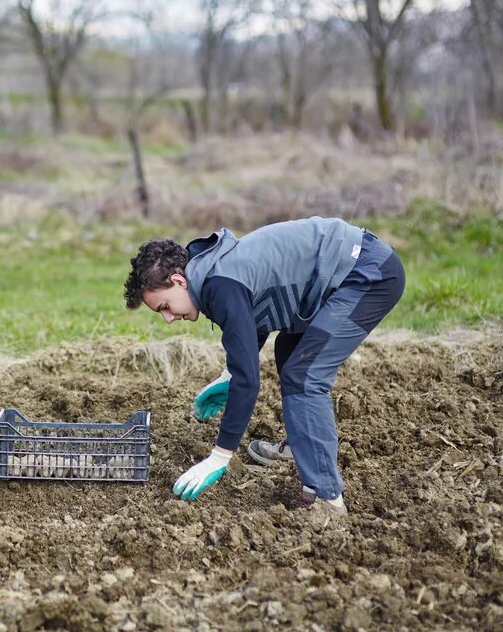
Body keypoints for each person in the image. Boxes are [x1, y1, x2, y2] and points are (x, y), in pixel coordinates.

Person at [122, 217, 406, 514]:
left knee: (304, 376)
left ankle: (325, 498)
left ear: (178, 281)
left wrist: (220, 456)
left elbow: (249, 380)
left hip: (368, 274)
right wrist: (229, 374)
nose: (168, 318)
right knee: (288, 348)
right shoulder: (211, 272)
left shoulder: (220, 285)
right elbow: (252, 323)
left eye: (164, 307)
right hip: (347, 272)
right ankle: (302, 446)